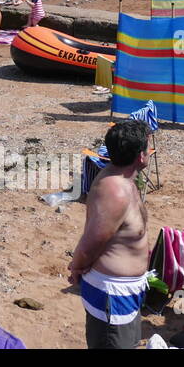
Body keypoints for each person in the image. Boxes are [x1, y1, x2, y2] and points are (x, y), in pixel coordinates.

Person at [68, 120, 152, 350]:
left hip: (125, 293)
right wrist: (76, 267)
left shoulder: (124, 179)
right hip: (112, 297)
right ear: (140, 156)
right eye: (148, 149)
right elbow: (91, 242)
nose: (149, 154)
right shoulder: (115, 191)